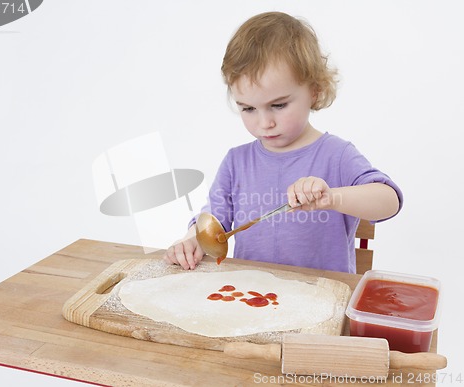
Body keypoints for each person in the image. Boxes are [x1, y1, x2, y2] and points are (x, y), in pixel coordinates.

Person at [163, 11, 402, 273]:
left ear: (314, 90)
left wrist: (332, 197)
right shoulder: (236, 162)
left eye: (278, 105)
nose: (264, 123)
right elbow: (213, 222)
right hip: (251, 297)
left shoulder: (337, 155)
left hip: (323, 300)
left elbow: (388, 200)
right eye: (248, 109)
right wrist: (192, 239)